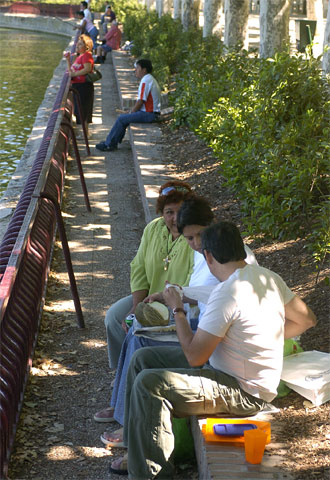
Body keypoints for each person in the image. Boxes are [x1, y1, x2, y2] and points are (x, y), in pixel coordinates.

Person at [109, 221, 317, 477]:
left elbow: (195, 356)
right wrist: (267, 337)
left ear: (207, 256)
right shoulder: (267, 277)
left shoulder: (227, 293)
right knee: (142, 358)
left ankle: (150, 474)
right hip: (236, 374)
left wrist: (178, 309)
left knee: (150, 384)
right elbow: (306, 319)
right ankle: (136, 447)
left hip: (242, 391)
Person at [95, 197, 258, 445]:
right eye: (189, 238)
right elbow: (208, 293)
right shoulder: (204, 253)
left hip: (213, 344)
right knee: (136, 330)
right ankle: (122, 412)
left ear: (212, 225)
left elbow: (198, 351)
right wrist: (176, 297)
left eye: (198, 236)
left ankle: (130, 425)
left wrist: (178, 310)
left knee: (141, 342)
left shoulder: (224, 257)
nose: (195, 243)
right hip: (204, 328)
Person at [104, 181, 195, 371]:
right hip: (149, 297)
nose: (176, 218)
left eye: (181, 211)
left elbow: (193, 280)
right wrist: (136, 305)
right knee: (114, 317)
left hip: (180, 303)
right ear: (162, 213)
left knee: (138, 327)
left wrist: (166, 301)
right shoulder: (153, 228)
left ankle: (141, 370)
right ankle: (122, 370)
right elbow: (139, 267)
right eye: (169, 212)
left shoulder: (194, 236)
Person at [96, 59, 161, 152]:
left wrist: (132, 111)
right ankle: (111, 141)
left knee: (121, 119)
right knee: (124, 118)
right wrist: (131, 111)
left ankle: (109, 144)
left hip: (149, 114)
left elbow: (141, 101)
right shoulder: (149, 79)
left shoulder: (145, 81)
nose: (135, 70)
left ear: (144, 70)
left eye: (137, 68)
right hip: (150, 112)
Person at [64, 35, 94, 133]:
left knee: (83, 110)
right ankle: (84, 132)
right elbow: (71, 71)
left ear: (87, 47)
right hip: (78, 86)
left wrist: (75, 74)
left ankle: (86, 133)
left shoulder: (86, 55)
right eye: (78, 43)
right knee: (80, 110)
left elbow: (87, 69)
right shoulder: (78, 57)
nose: (77, 45)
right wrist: (68, 60)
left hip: (84, 86)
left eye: (81, 44)